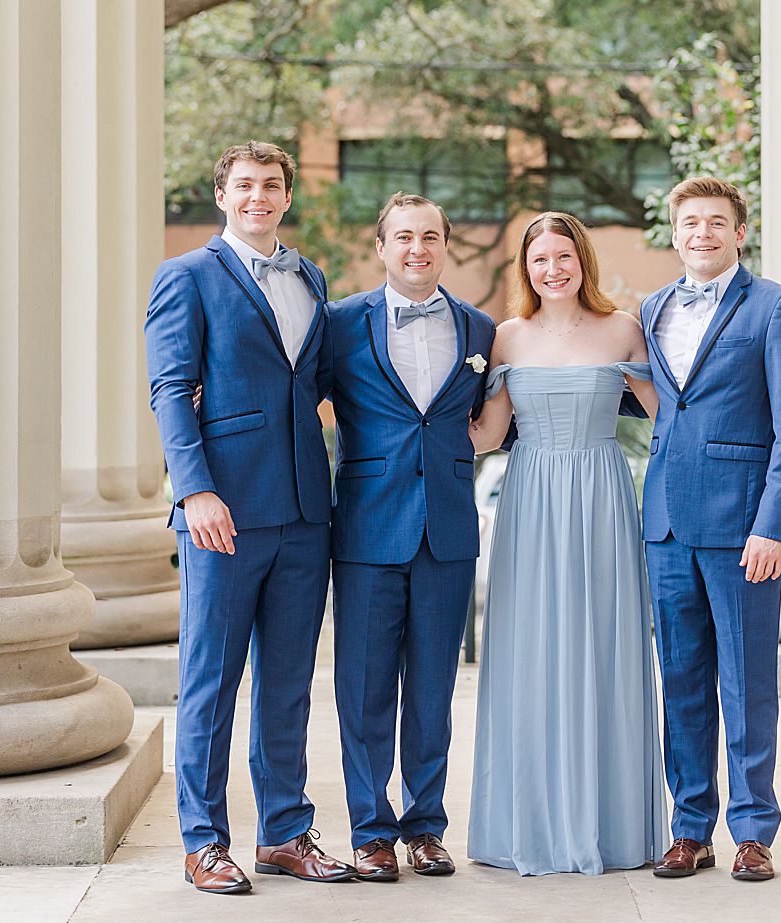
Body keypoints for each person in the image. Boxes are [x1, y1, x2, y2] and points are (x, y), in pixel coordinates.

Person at [146, 140, 353, 894]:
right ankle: (204, 841)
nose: (258, 196)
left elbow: (322, 381)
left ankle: (286, 832)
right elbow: (171, 387)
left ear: (287, 196)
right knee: (212, 680)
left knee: (290, 681)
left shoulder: (310, 276)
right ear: (222, 194)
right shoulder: (187, 276)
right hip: (223, 511)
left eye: (271, 184)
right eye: (245, 185)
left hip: (305, 508)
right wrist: (193, 488)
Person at [466, 211, 666, 875]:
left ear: (583, 260)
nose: (552, 268)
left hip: (603, 498)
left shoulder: (622, 328)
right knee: (532, 648)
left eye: (563, 256)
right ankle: (533, 822)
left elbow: (672, 416)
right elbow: (488, 435)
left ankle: (605, 824)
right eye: (539, 259)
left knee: (602, 647)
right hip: (531, 501)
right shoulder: (507, 337)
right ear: (526, 269)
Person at [638, 178, 781, 882]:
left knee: (746, 684)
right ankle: (690, 827)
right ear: (674, 232)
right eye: (690, 222)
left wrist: (773, 524)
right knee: (680, 682)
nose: (702, 233)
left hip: (745, 531)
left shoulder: (775, 308)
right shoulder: (651, 309)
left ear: (740, 231)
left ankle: (753, 830)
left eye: (716, 222)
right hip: (668, 528)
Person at [321, 193, 497, 881]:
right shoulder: (339, 324)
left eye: (429, 236)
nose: (417, 247)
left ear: (445, 244)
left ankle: (425, 825)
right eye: (403, 237)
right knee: (363, 689)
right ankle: (370, 828)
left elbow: (491, 417)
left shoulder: (480, 329)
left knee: (432, 688)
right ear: (381, 246)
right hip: (366, 528)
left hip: (448, 530)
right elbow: (292, 396)